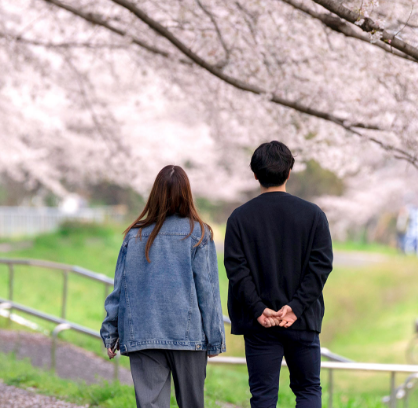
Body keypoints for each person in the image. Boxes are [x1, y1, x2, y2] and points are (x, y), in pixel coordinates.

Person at [100, 165, 226, 408]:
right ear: (187, 194)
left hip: (143, 334)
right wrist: (214, 339)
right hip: (189, 337)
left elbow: (119, 290)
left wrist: (111, 332)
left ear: (154, 194)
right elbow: (207, 293)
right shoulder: (198, 233)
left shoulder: (134, 236)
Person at [224, 141, 334, 408]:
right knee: (308, 390)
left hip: (259, 323)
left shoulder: (239, 218)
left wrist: (259, 309)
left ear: (255, 174)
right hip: (302, 319)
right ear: (289, 172)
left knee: (262, 396)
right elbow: (321, 266)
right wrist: (295, 308)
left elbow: (236, 270)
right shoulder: (313, 215)